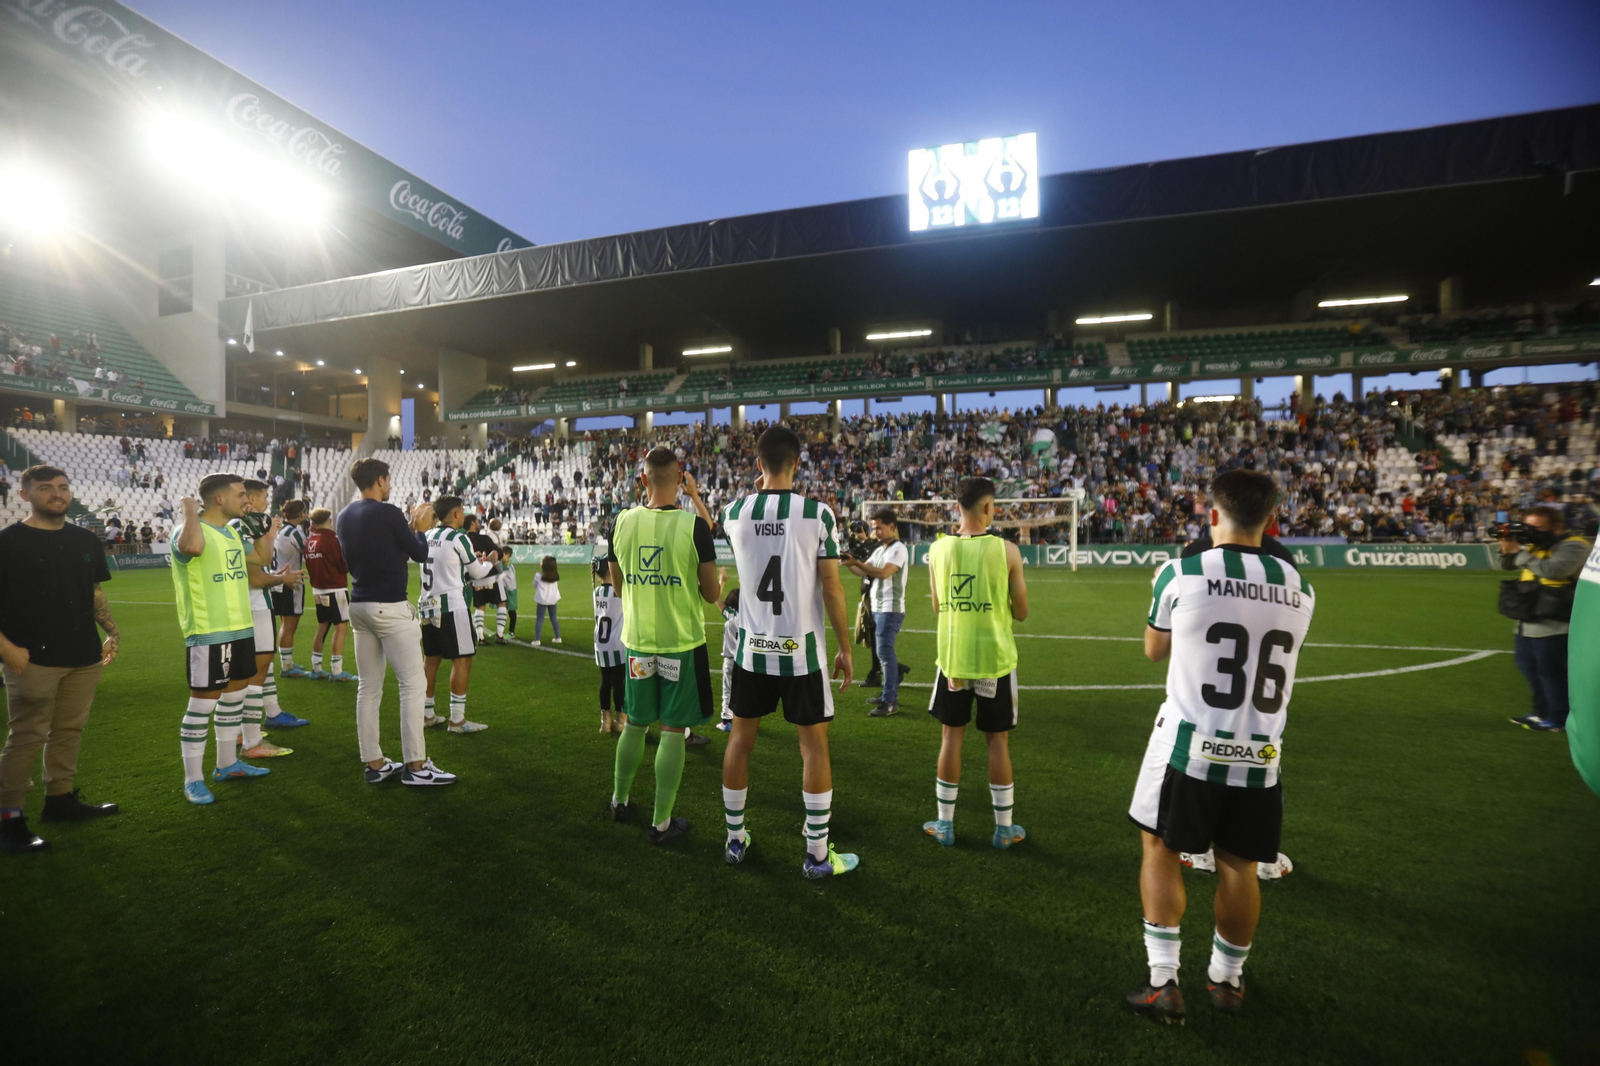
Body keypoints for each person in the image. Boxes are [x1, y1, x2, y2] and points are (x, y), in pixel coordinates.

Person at [1126, 469, 1316, 1023]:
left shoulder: (1180, 572)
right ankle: (1227, 981)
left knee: (1160, 847)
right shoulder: (1302, 587)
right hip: (1260, 755)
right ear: (1271, 521)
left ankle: (1164, 982)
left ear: (1213, 516)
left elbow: (1154, 651)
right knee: (1239, 866)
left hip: (1190, 744)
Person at [720, 426, 859, 879]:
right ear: (797, 464)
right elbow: (833, 586)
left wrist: (758, 488)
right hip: (802, 654)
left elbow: (750, 518)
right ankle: (816, 855)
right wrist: (844, 646)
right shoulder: (818, 514)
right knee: (813, 748)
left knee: (740, 743)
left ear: (758, 465)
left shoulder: (734, 512)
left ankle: (735, 840)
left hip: (751, 651)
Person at [602, 447, 720, 845]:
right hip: (680, 644)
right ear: (681, 480)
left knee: (635, 723)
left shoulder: (621, 522)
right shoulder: (694, 528)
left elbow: (617, 584)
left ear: (642, 480)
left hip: (637, 642)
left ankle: (619, 801)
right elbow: (710, 593)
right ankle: (661, 823)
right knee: (672, 730)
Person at [0, 465, 120, 853]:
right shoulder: (8, 542)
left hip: (83, 654)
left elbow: (94, 592)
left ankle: (60, 801)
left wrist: (111, 631)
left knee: (69, 730)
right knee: (26, 737)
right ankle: (9, 819)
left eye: (64, 487)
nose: (58, 494)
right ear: (25, 495)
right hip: (30, 657)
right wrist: (7, 649)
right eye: (47, 488)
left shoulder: (85, 539)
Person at [921, 477, 1029, 850]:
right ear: (988, 508)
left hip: (953, 659)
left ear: (957, 507)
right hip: (995, 661)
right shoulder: (1008, 551)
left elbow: (936, 605)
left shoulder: (937, 551)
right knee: (997, 743)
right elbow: (1023, 612)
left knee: (951, 738)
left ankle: (945, 824)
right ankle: (1004, 829)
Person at [337, 458, 456, 787]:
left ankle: (374, 762)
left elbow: (374, 553)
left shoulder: (345, 515)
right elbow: (419, 553)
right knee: (413, 685)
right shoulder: (387, 513)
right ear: (380, 480)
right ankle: (416, 766)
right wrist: (417, 529)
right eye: (388, 480)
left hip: (359, 604)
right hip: (388, 606)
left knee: (369, 687)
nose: (389, 485)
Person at [171, 474, 276, 805]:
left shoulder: (232, 531)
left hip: (240, 627)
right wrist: (190, 510)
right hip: (208, 631)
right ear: (219, 499)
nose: (247, 499)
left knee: (235, 698)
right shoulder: (189, 530)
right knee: (203, 704)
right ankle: (192, 780)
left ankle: (227, 764)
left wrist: (267, 530)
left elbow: (260, 559)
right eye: (241, 494)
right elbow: (192, 548)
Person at [230, 481, 306, 758]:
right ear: (249, 498)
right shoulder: (245, 527)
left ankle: (262, 719)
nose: (266, 503)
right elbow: (254, 575)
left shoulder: (242, 525)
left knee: (261, 667)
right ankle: (250, 740)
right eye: (263, 497)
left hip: (252, 605)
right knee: (255, 672)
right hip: (254, 606)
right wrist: (280, 578)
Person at [1500, 504, 1589, 732]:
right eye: (1527, 527)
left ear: (1557, 528)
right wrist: (1508, 547)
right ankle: (1541, 713)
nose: (1531, 532)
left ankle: (1558, 718)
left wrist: (1520, 552)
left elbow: (1553, 571)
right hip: (1528, 619)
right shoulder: (1535, 546)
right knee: (1528, 667)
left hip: (1556, 621)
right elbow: (1506, 565)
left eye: (1536, 527)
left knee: (1550, 672)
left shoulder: (1575, 546)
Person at [417, 496, 490, 734]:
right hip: (451, 606)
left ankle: (427, 713)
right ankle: (457, 720)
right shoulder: (458, 538)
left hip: (427, 605)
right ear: (457, 514)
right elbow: (478, 573)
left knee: (431, 660)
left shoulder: (426, 536)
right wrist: (488, 562)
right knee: (462, 659)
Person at [843, 509, 910, 717]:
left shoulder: (898, 549)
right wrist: (848, 563)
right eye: (874, 528)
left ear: (892, 526)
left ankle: (890, 700)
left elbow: (883, 573)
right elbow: (862, 571)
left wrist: (857, 563)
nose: (876, 532)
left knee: (885, 654)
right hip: (880, 607)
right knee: (884, 654)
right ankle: (887, 695)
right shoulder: (881, 549)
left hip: (890, 608)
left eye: (879, 528)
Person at [304, 508, 354, 681]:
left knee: (322, 626)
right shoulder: (332, 539)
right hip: (335, 588)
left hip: (318, 589)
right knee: (341, 628)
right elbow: (342, 565)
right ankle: (337, 671)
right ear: (329, 521)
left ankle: (316, 668)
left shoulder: (310, 540)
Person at [272, 500, 311, 677]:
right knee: (289, 625)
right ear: (301, 514)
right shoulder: (295, 532)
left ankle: (287, 663)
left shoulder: (279, 529)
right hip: (290, 582)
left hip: (276, 580)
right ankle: (286, 667)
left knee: (284, 624)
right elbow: (307, 551)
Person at [592, 558, 626, 734]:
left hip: (601, 644)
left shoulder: (596, 591)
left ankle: (605, 722)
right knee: (619, 682)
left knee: (605, 681)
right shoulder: (620, 591)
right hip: (617, 643)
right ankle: (621, 721)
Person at [463, 514, 505, 643]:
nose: (479, 523)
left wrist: (468, 579)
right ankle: (500, 635)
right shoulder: (484, 538)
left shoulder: (463, 540)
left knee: (480, 606)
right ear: (472, 523)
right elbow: (500, 554)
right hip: (492, 577)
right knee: (502, 603)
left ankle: (480, 637)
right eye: (477, 521)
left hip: (475, 579)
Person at [713, 582, 741, 734]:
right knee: (744, 690)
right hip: (745, 662)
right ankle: (744, 720)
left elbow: (717, 600)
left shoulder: (731, 615)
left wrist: (721, 581)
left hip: (730, 660)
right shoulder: (751, 618)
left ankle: (726, 722)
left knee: (727, 691)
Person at [493, 518, 518, 641]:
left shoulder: (508, 564)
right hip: (504, 589)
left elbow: (501, 569)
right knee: (501, 608)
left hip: (511, 590)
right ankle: (500, 630)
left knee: (511, 611)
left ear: (507, 555)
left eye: (503, 554)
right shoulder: (505, 563)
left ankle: (511, 632)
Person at [532, 554, 562, 645]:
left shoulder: (538, 576)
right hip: (553, 599)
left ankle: (537, 640)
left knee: (540, 619)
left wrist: (536, 576)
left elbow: (534, 585)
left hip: (542, 600)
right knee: (553, 618)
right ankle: (558, 637)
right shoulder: (555, 576)